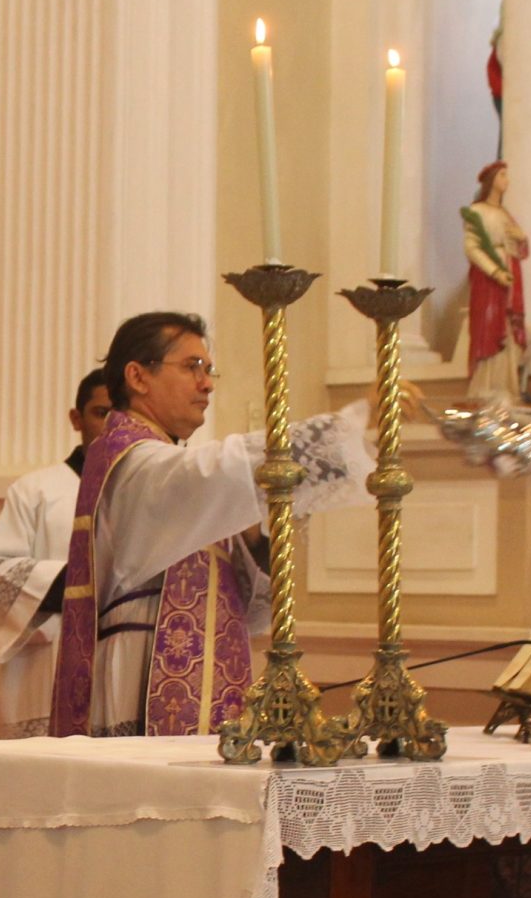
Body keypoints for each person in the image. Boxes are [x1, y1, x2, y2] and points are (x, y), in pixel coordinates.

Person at [49, 314, 371, 739]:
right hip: (143, 671)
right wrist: (352, 427)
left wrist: (256, 537)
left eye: (208, 369)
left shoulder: (165, 463)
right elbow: (211, 469)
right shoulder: (129, 459)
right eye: (192, 367)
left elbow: (250, 606)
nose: (207, 384)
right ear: (138, 377)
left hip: (205, 669)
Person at [0, 368, 113, 738]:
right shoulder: (36, 490)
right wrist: (86, 582)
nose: (111, 426)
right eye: (101, 413)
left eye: (120, 415)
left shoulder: (146, 491)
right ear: (76, 418)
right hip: (44, 670)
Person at [462, 162, 531, 405]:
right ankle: (485, 385)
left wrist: (522, 239)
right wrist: (494, 271)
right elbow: (472, 247)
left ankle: (506, 386)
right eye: (502, 175)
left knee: (508, 329)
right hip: (488, 281)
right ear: (491, 179)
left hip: (510, 277)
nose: (507, 180)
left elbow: (521, 250)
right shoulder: (477, 211)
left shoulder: (505, 214)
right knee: (488, 326)